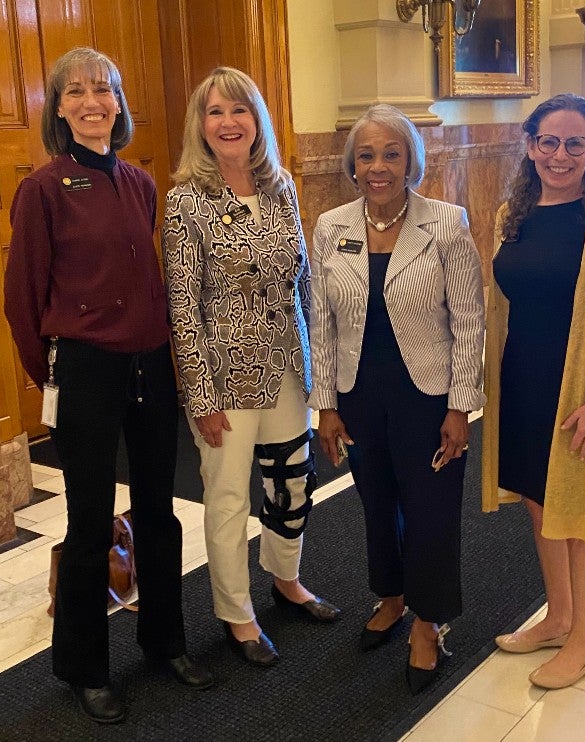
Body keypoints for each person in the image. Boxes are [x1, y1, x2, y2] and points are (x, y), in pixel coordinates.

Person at [3, 47, 214, 725]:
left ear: (118, 105)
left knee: (159, 511)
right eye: (78, 92)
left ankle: (164, 643)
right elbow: (21, 300)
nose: (94, 101)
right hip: (85, 370)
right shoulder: (41, 189)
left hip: (150, 365)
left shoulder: (137, 183)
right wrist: (55, 376)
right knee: (90, 522)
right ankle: (84, 668)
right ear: (58, 109)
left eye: (105, 90)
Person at [163, 66, 340, 668]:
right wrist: (200, 393)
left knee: (292, 483)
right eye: (216, 112)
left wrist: (321, 367)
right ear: (201, 125)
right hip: (224, 376)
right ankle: (236, 613)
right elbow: (182, 303)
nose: (229, 122)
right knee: (230, 495)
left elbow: (305, 281)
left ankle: (286, 580)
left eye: (239, 111)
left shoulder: (282, 186)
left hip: (287, 364)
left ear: (256, 120)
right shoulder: (187, 199)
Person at [309, 104, 486, 694]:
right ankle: (391, 596)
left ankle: (428, 623)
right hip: (359, 396)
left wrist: (461, 406)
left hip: (427, 397)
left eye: (391, 153)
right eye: (367, 155)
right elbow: (323, 322)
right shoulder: (332, 227)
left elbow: (468, 319)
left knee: (432, 509)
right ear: (351, 164)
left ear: (412, 160)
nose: (379, 166)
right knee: (377, 502)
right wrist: (325, 404)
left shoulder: (446, 223)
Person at [482, 93, 585, 690]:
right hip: (522, 378)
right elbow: (500, 299)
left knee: (579, 516)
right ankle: (558, 617)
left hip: (578, 386)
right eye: (548, 142)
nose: (560, 154)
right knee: (539, 503)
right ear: (529, 147)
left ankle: (584, 642)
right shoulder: (513, 213)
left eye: (575, 143)